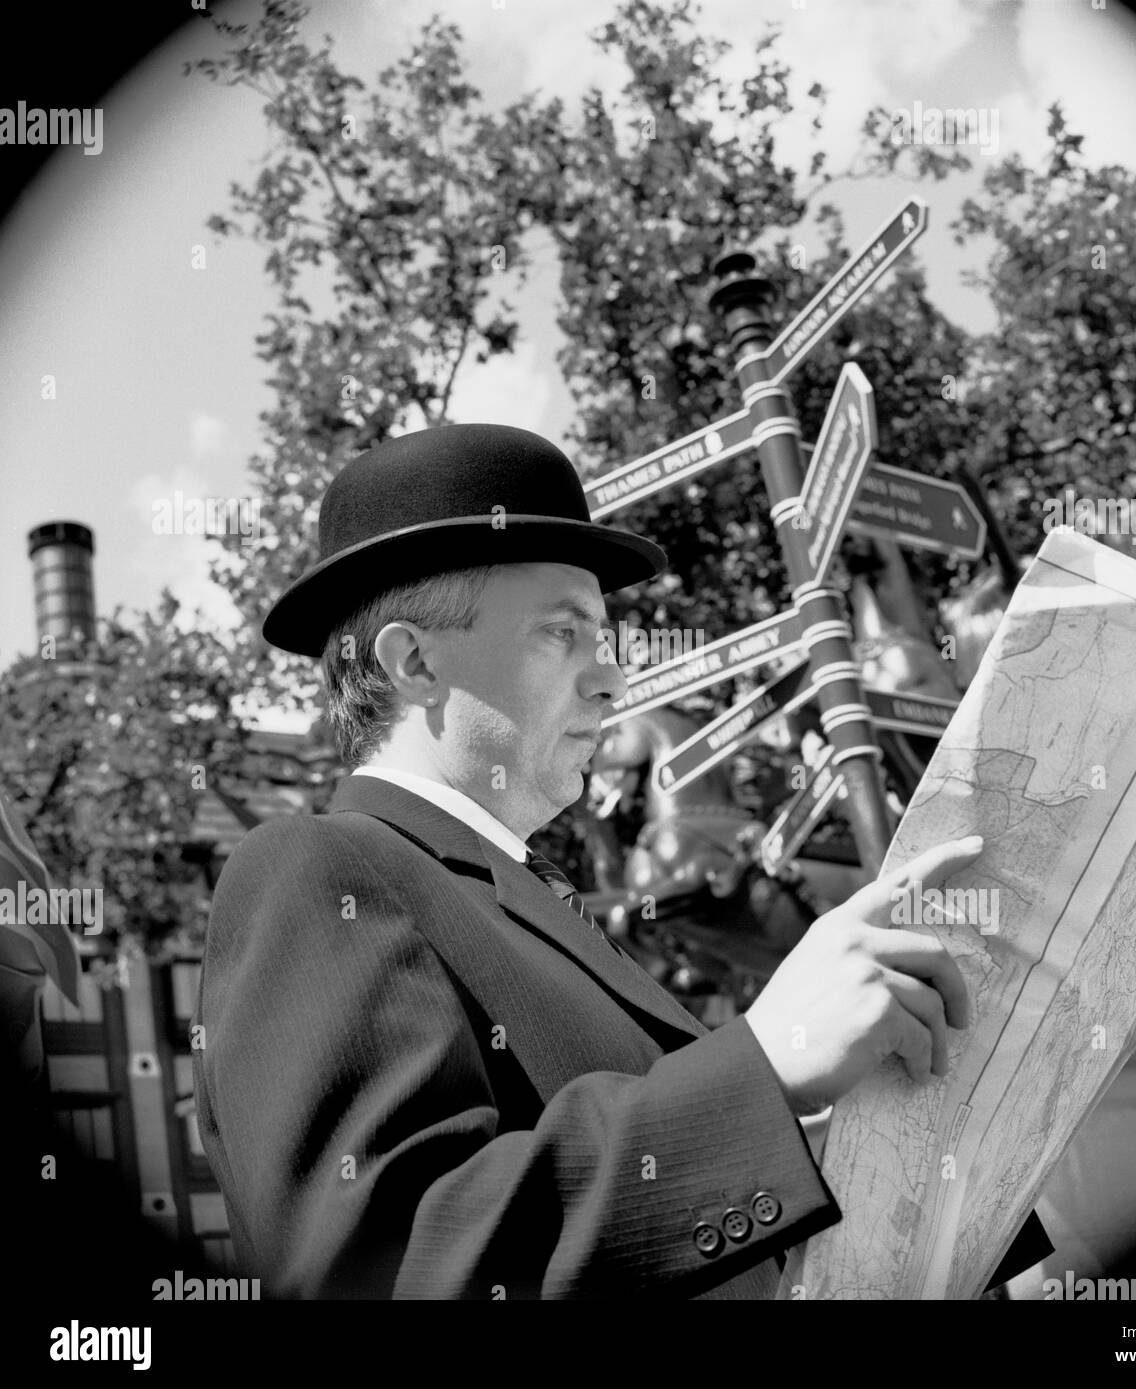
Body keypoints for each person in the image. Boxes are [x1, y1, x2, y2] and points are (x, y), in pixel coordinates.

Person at [192, 423, 1050, 1299]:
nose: (612, 680)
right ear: (414, 662)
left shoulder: (529, 900)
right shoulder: (313, 865)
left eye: (603, 637)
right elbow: (383, 1261)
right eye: (562, 634)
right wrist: (763, 1067)